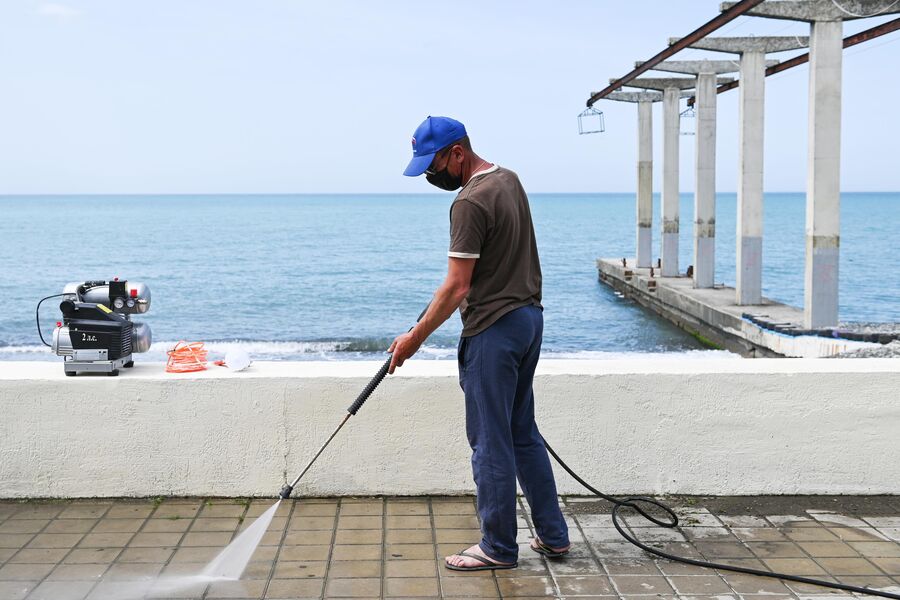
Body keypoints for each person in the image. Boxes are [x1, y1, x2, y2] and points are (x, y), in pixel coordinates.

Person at [388, 115, 570, 571]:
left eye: (433, 165)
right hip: (529, 321)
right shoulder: (508, 180)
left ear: (457, 153)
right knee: (522, 433)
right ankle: (553, 536)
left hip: (494, 331)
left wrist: (413, 339)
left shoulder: (469, 202)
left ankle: (497, 548)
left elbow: (457, 287)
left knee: (490, 442)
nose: (431, 176)